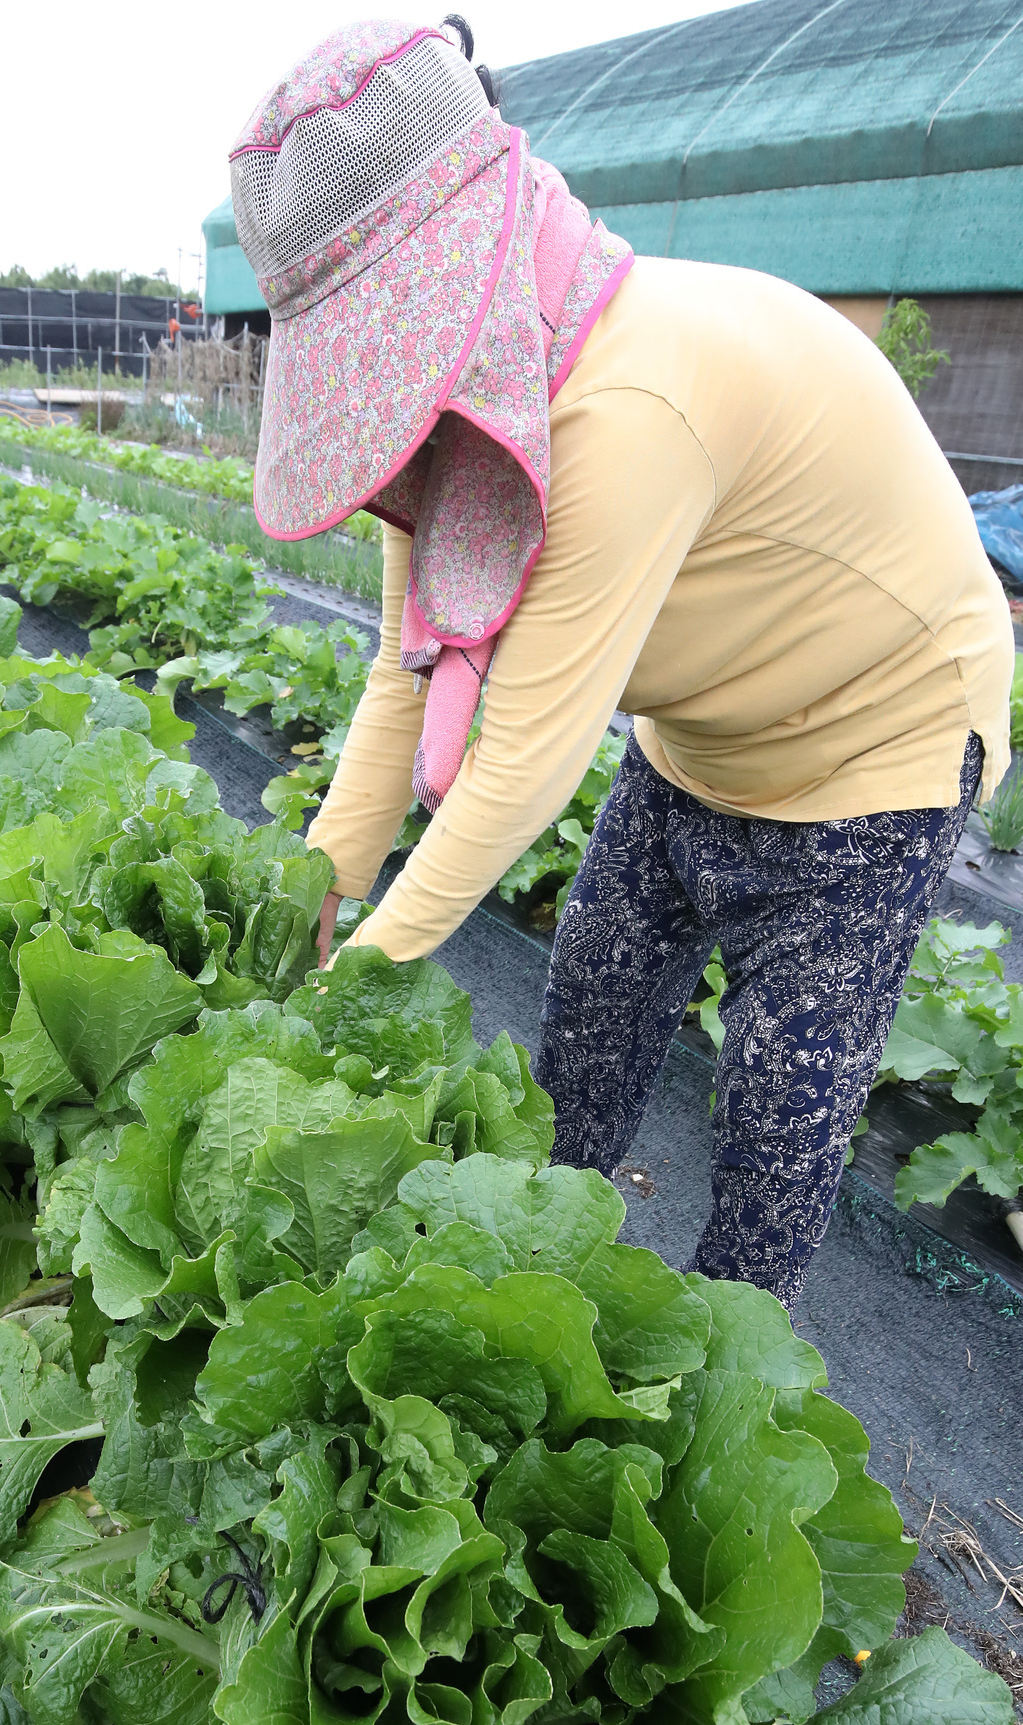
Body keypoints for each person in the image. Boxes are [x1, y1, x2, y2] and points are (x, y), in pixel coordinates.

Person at [229, 18, 1013, 1309]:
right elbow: (400, 677)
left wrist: (352, 983)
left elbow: (526, 758)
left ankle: (721, 1361)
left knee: (779, 1106)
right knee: (587, 1025)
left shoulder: (629, 402)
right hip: (696, 737)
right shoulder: (467, 419)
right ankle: (536, 1278)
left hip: (879, 757)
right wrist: (312, 897)